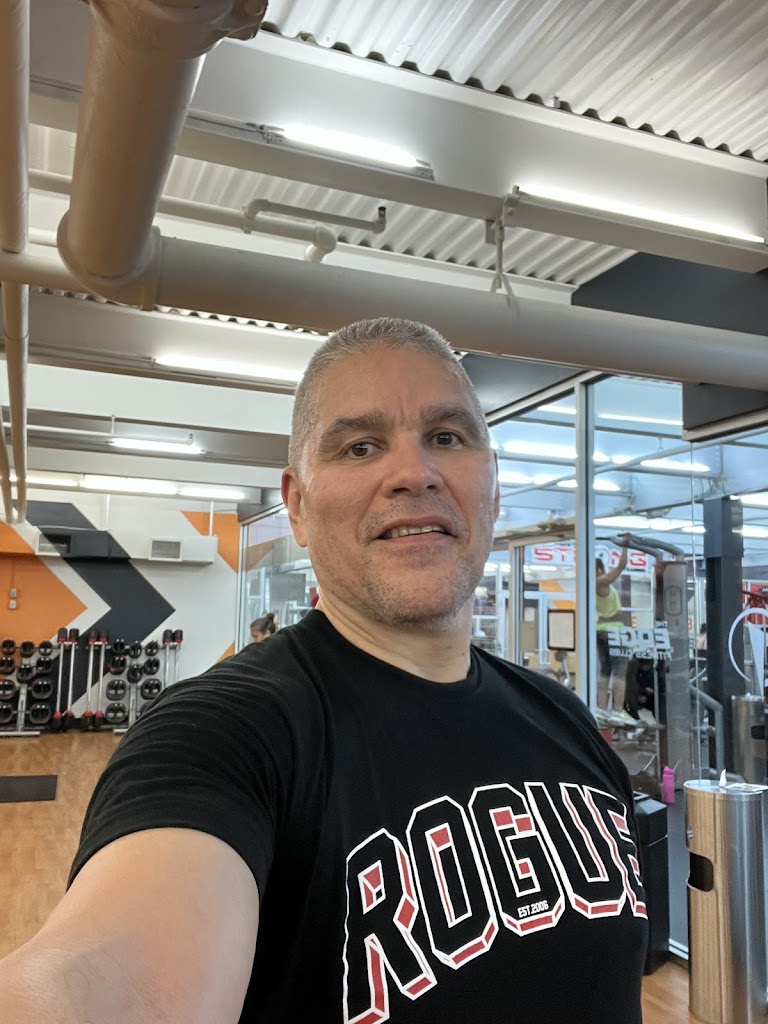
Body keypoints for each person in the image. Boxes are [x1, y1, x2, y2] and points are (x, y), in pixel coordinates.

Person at [0, 318, 647, 1024]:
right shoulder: (226, 735)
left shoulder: (564, 721)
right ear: (299, 507)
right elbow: (105, 979)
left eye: (446, 437)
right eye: (360, 446)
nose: (414, 473)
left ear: (492, 485)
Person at [595, 545, 635, 726]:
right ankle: (618, 711)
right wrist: (625, 547)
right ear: (598, 569)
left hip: (600, 629)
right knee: (620, 671)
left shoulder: (589, 585)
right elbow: (621, 566)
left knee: (605, 670)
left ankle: (602, 709)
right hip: (614, 629)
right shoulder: (601, 582)